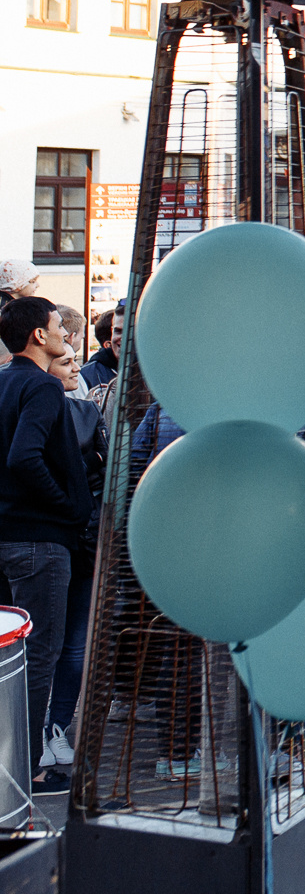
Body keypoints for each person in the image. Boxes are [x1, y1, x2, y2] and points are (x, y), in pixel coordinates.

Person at [0, 296, 95, 795]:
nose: (67, 334)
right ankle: (27, 767)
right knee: (38, 655)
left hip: (12, 536)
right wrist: (64, 506)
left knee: (12, 656)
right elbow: (24, 457)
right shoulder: (40, 386)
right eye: (59, 326)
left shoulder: (4, 382)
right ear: (39, 335)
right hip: (39, 541)